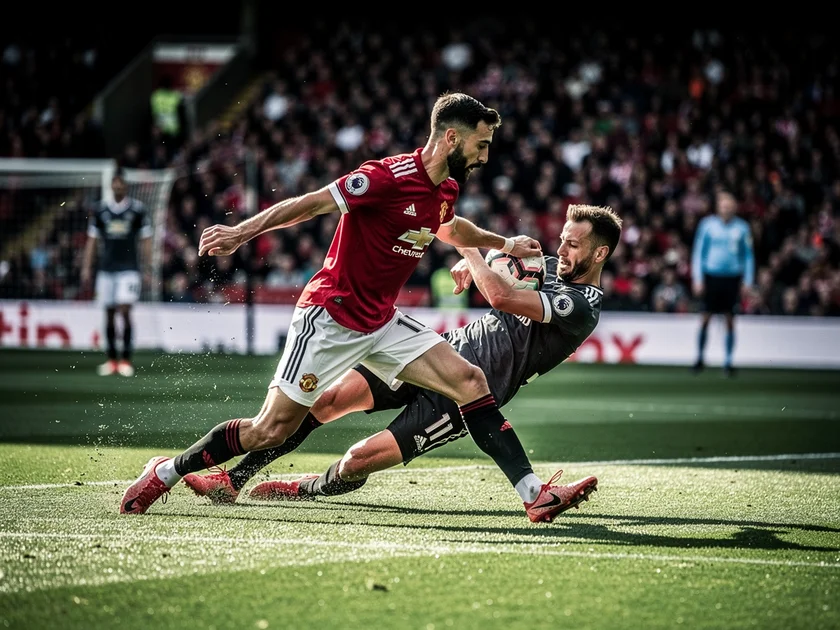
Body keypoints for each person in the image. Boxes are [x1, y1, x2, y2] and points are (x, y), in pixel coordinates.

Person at [120, 92, 545, 515]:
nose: (485, 157)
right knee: (270, 429)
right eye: (481, 144)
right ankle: (166, 472)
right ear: (452, 138)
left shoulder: (446, 189)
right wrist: (240, 233)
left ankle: (533, 495)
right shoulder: (387, 177)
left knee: (470, 381)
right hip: (329, 317)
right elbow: (310, 205)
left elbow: (450, 229)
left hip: (381, 323)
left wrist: (504, 243)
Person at [183, 205, 622, 523]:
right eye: (562, 238)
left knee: (359, 459)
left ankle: (307, 487)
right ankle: (234, 478)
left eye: (572, 244)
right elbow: (507, 274)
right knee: (328, 400)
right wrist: (479, 268)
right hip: (440, 353)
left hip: (468, 392)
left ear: (599, 255)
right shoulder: (549, 268)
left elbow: (503, 296)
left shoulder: (582, 304)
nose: (560, 248)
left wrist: (470, 254)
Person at [81, 173, 152, 377]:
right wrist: (87, 266)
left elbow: (146, 240)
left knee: (125, 310)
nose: (118, 188)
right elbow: (92, 240)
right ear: (112, 186)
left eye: (121, 185)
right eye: (116, 185)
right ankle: (111, 360)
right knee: (109, 313)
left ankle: (126, 360)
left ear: (126, 187)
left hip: (129, 269)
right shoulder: (100, 210)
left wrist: (146, 268)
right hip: (106, 269)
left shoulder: (137, 210)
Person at [691, 188, 755, 377]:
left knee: (729, 319)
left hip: (732, 278)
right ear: (718, 207)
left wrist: (748, 280)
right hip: (711, 276)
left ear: (734, 207)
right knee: (705, 317)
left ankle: (728, 362)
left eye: (729, 205)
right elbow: (698, 252)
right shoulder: (707, 225)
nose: (726, 209)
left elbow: (749, 256)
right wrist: (698, 278)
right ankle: (700, 358)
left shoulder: (743, 228)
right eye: (723, 205)